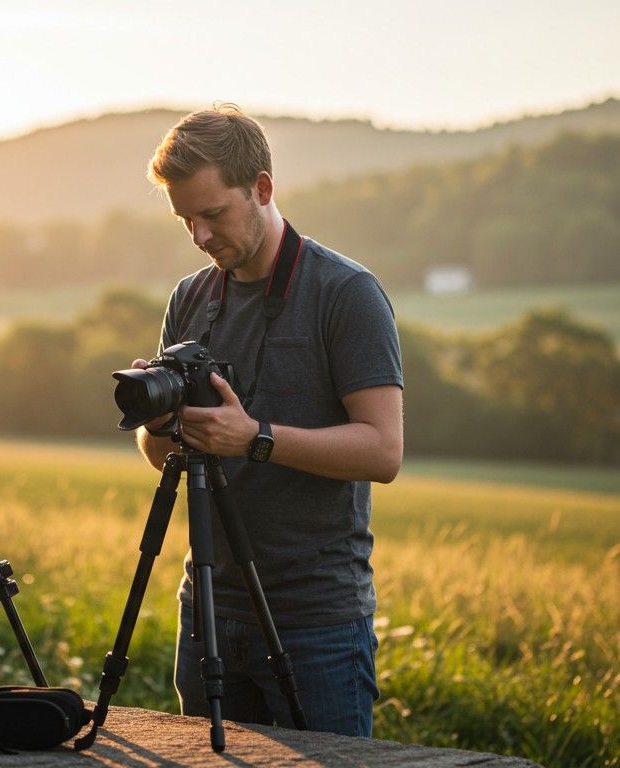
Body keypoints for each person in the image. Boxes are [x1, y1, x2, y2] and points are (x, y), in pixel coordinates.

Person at [130, 105, 404, 737]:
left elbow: (382, 452)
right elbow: (158, 453)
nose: (199, 235)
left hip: (316, 621)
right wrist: (161, 415)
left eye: (212, 214)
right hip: (207, 609)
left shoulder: (346, 293)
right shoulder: (191, 297)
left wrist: (254, 438)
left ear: (261, 188)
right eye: (185, 220)